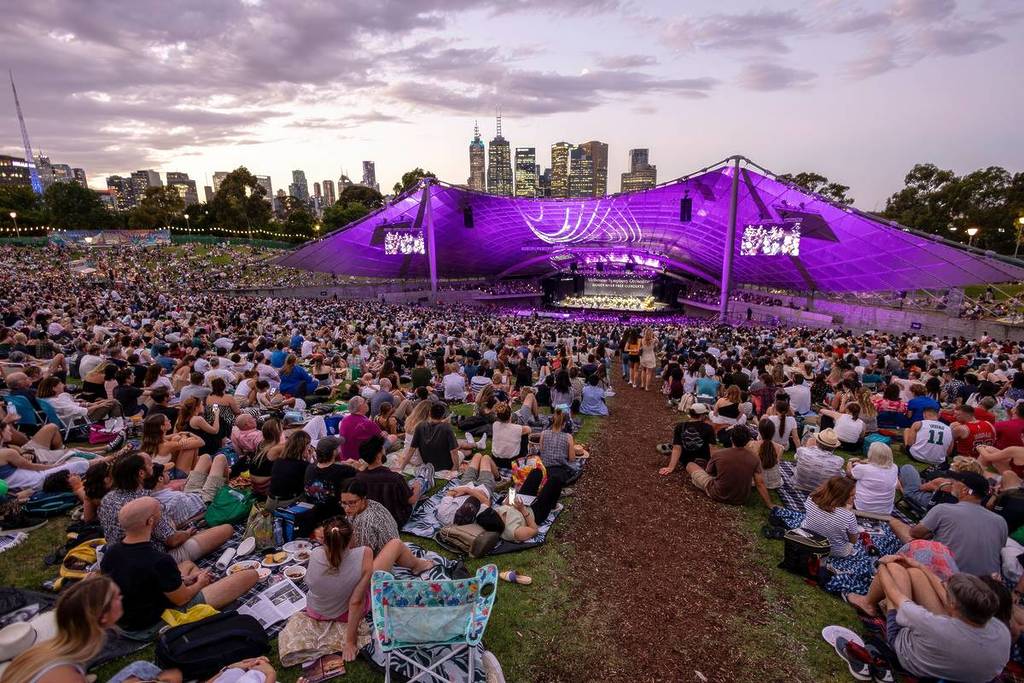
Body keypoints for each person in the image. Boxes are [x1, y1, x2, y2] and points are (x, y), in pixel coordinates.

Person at [101, 497, 259, 640]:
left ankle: (199, 584)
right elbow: (182, 599)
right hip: (153, 623)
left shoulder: (111, 553)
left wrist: (182, 580)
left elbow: (137, 582)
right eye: (160, 512)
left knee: (187, 566)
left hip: (127, 619)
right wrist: (200, 583)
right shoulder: (158, 560)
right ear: (150, 521)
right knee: (250, 575)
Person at [3, 575, 182, 683]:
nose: (122, 597)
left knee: (143, 668)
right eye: (116, 596)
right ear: (103, 616)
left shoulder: (62, 643)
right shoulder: (63, 671)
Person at [853, 560, 1010, 682]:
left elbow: (894, 593)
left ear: (954, 606)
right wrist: (920, 566)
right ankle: (909, 572)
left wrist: (882, 565)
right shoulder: (1001, 632)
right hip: (964, 666)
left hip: (908, 654)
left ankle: (866, 603)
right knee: (915, 573)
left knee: (894, 570)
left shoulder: (933, 625)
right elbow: (944, 593)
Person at [98, 451, 233, 562]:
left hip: (118, 558)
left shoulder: (107, 499)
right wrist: (187, 533)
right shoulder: (147, 503)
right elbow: (172, 540)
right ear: (141, 473)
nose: (153, 466)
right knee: (226, 529)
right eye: (150, 464)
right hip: (155, 560)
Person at [890, 470, 1007, 577]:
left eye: (954, 483)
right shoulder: (1000, 521)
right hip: (987, 588)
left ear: (965, 490)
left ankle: (886, 518)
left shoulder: (943, 510)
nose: (951, 484)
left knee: (898, 525)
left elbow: (915, 533)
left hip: (949, 581)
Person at [684, 426, 772, 507]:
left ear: (731, 439)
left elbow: (709, 473)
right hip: (741, 499)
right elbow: (759, 483)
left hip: (717, 494)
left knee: (690, 465)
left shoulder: (719, 454)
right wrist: (770, 504)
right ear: (748, 440)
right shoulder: (755, 458)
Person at [355, 435, 432, 527]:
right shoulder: (395, 478)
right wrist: (417, 487)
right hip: (396, 520)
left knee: (409, 484)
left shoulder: (358, 478)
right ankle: (424, 479)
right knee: (418, 482)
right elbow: (411, 500)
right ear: (379, 454)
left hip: (373, 520)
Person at [799, 476, 858, 557]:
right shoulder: (848, 516)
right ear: (841, 496)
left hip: (807, 540)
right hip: (834, 551)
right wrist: (847, 511)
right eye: (852, 495)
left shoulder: (811, 498)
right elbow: (853, 541)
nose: (855, 497)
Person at [304, 435, 357, 523]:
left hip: (315, 516)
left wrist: (341, 463)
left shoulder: (310, 468)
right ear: (334, 452)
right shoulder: (345, 471)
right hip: (337, 519)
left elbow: (327, 467)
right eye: (338, 447)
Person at [396, 402, 461, 472]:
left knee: (456, 444)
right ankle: (471, 445)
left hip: (410, 456)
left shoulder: (413, 422)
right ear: (429, 413)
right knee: (458, 446)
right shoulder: (423, 426)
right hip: (423, 458)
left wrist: (402, 467)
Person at [140, 413, 204, 480]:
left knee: (177, 438)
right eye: (167, 420)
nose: (170, 421)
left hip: (162, 471)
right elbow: (201, 442)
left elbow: (179, 434)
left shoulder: (151, 440)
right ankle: (191, 473)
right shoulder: (166, 445)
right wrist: (189, 433)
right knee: (191, 445)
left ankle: (193, 468)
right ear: (162, 427)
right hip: (169, 475)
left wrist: (183, 437)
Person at [660, 404, 715, 476]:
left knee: (692, 467)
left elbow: (677, 448)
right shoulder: (708, 428)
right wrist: (715, 466)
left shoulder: (680, 426)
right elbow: (712, 448)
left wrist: (670, 467)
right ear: (702, 415)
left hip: (686, 459)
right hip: (704, 457)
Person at [36, 376, 122, 422]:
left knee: (109, 401)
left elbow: (76, 405)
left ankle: (117, 422)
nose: (63, 385)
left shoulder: (55, 399)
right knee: (113, 402)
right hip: (80, 420)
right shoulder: (56, 402)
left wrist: (96, 404)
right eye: (60, 384)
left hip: (79, 416)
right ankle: (118, 424)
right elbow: (83, 411)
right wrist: (99, 405)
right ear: (54, 388)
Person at [846, 441, 898, 515]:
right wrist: (861, 462)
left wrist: (850, 462)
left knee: (847, 480)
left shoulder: (863, 469)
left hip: (861, 507)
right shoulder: (894, 467)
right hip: (885, 510)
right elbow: (876, 464)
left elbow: (849, 473)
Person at [268, 430, 313, 511]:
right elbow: (308, 484)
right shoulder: (303, 465)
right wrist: (308, 462)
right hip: (286, 504)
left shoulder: (279, 461)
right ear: (304, 447)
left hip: (270, 502)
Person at [337, 396, 390, 462]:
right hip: (361, 459)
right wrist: (386, 434)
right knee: (392, 438)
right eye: (365, 402)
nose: (367, 403)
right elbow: (383, 438)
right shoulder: (367, 423)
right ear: (360, 407)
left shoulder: (344, 420)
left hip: (345, 457)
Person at [491, 401, 530, 466]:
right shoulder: (518, 428)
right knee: (524, 435)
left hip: (496, 460)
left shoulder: (495, 425)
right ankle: (524, 457)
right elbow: (529, 429)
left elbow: (506, 426)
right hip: (511, 462)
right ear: (510, 415)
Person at [750, 417, 784, 489]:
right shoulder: (780, 448)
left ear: (759, 431)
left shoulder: (752, 445)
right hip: (774, 482)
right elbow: (777, 464)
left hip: (756, 481)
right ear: (773, 431)